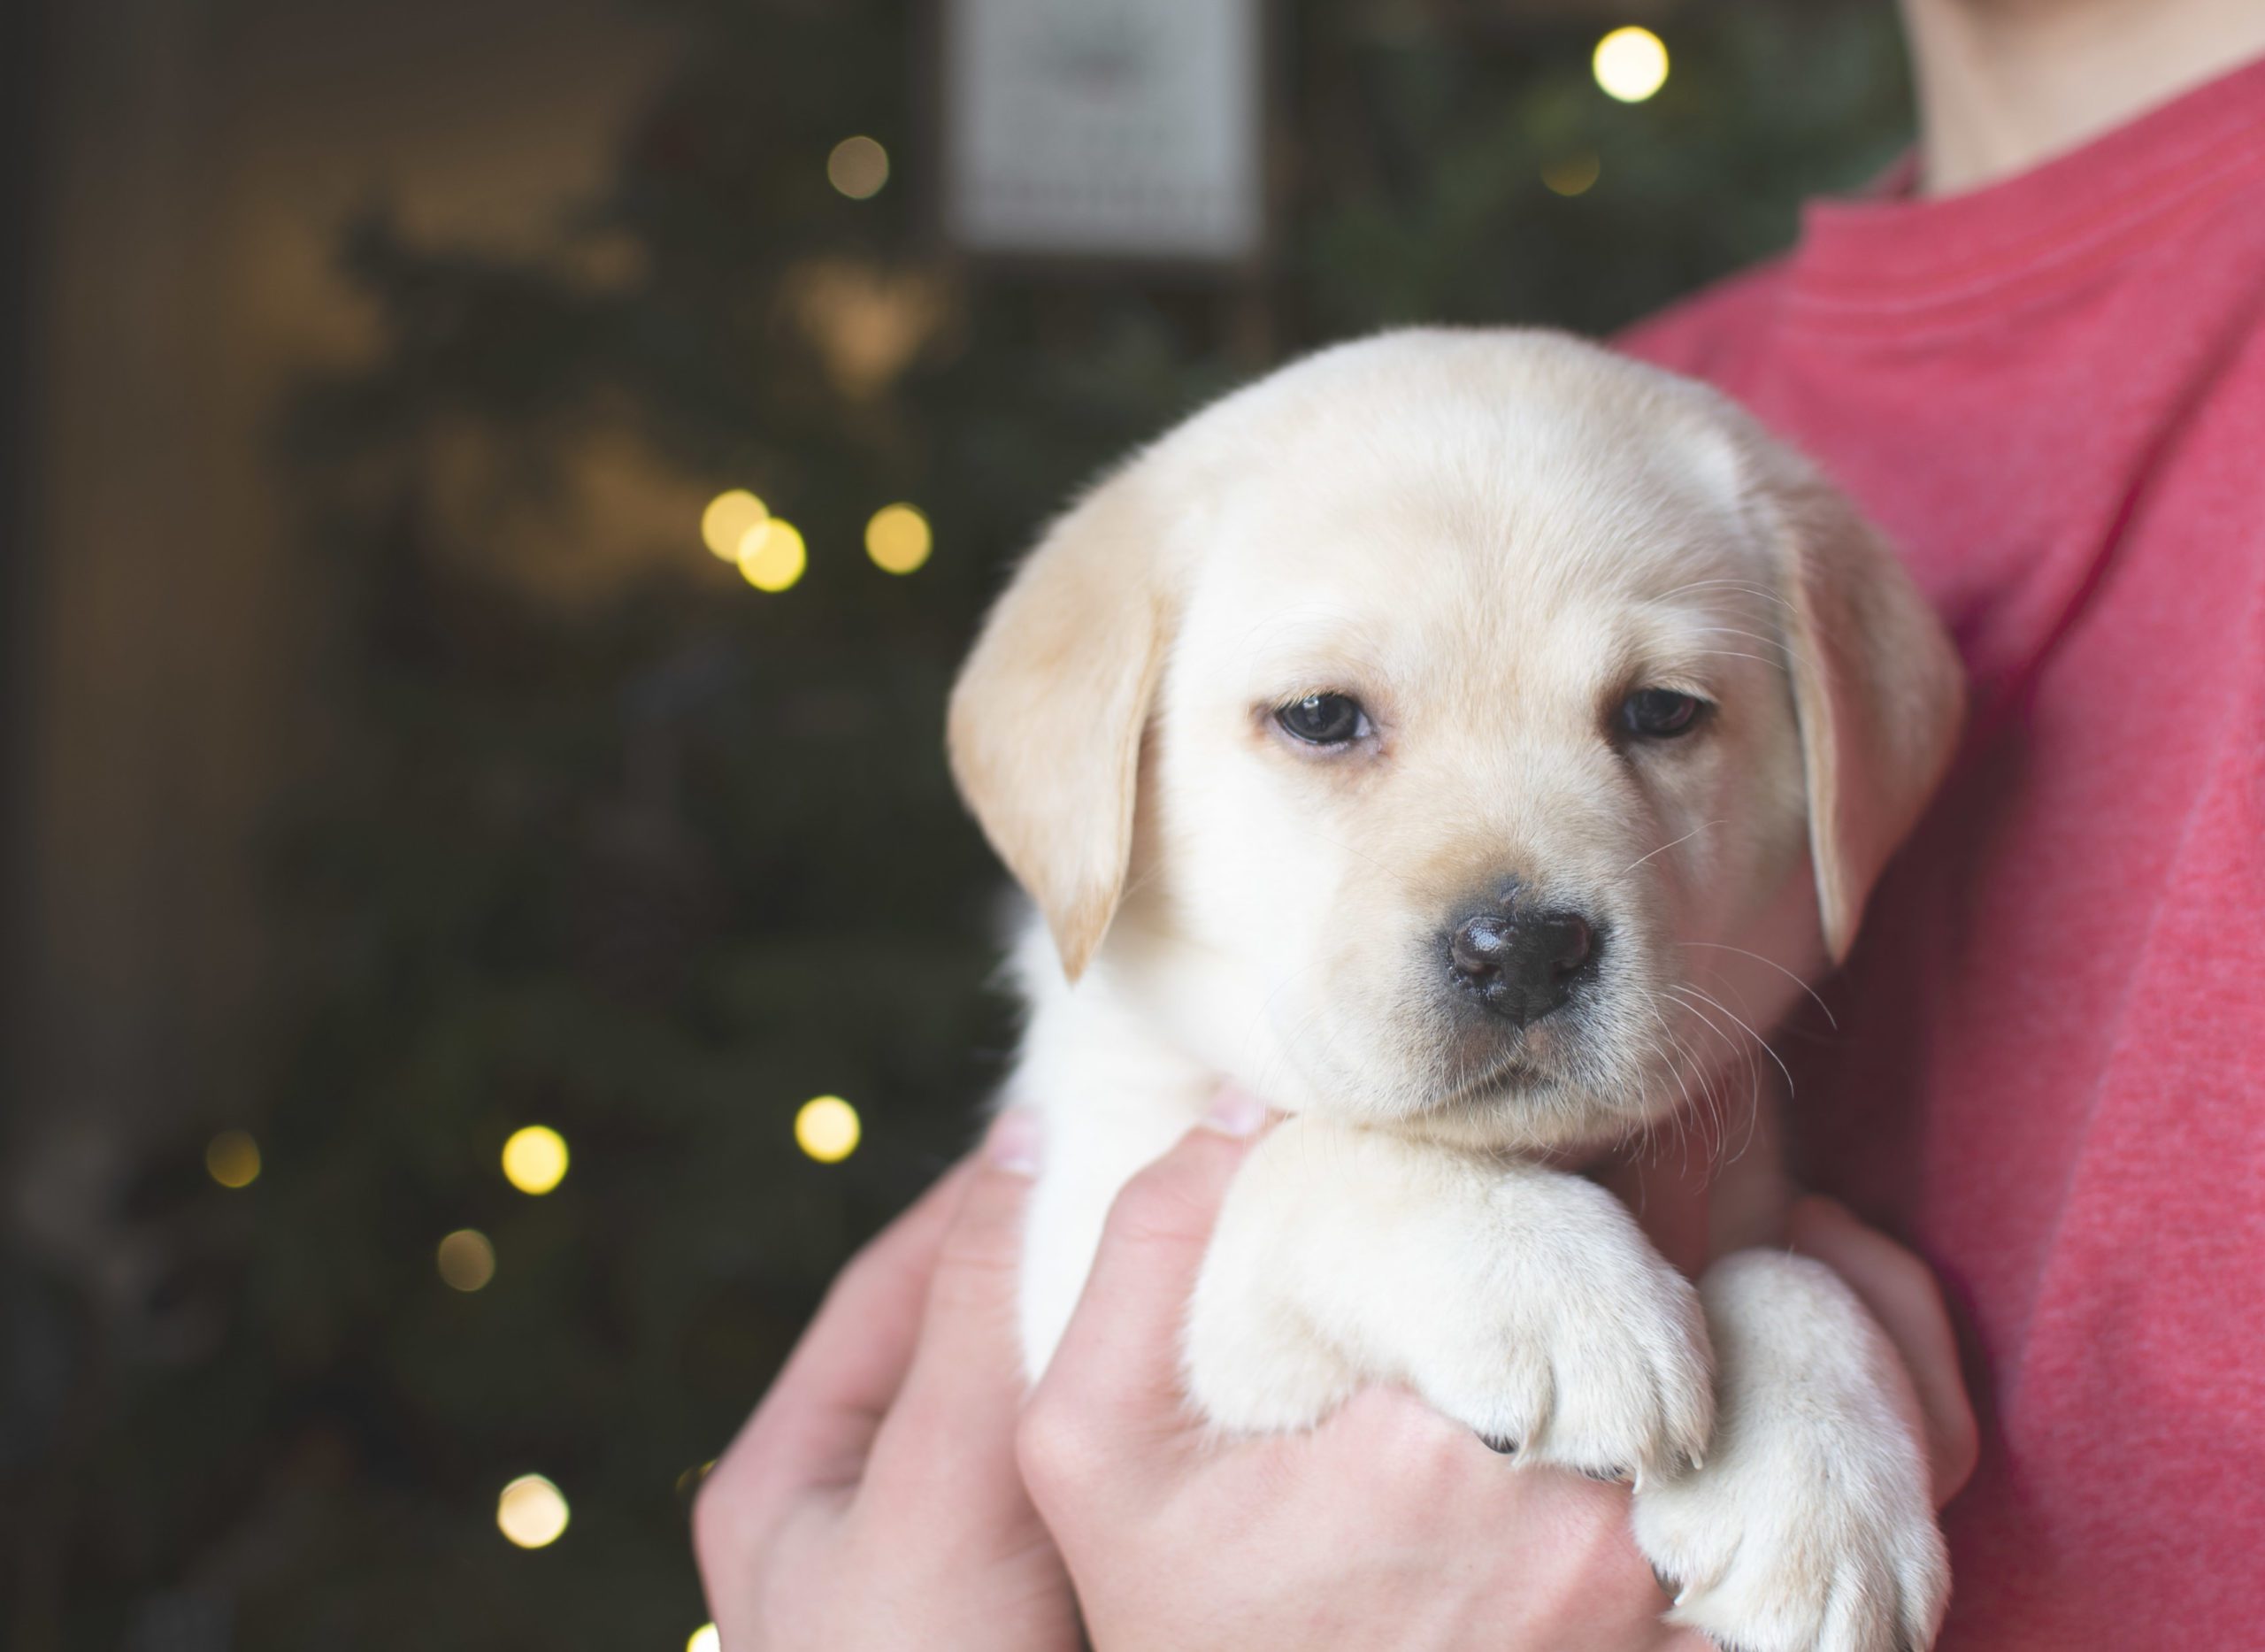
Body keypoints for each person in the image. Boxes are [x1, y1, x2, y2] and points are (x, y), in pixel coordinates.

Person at [696, 0, 2265, 1642]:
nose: (1519, 905)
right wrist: (1365, 1224)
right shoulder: (1627, 414)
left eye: (1657, 715)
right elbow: (1114, 1329)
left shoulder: (1692, 482)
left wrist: (1786, 1350)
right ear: (1107, 759)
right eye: (1324, 721)